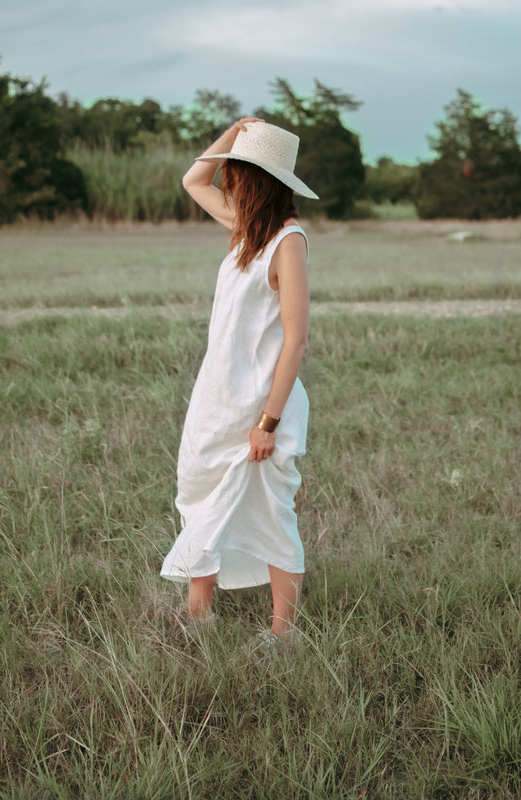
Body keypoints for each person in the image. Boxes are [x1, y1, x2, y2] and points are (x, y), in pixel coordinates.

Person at [160, 118, 318, 643]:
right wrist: (230, 134)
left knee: (273, 512)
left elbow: (295, 339)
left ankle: (283, 635)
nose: (227, 180)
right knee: (198, 494)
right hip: (216, 397)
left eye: (237, 171)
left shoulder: (288, 241)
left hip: (261, 406)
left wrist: (268, 422)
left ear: (257, 179)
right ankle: (198, 615)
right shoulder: (246, 228)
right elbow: (192, 181)